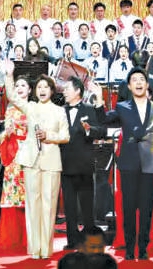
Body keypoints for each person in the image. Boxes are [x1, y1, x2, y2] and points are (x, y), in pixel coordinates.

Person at [95, 67, 153, 260]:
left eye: (142, 79)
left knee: (146, 208)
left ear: (147, 85)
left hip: (150, 163)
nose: (138, 83)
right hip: (128, 163)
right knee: (129, 208)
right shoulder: (122, 107)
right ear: (130, 87)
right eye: (134, 80)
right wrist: (98, 100)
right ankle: (130, 249)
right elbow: (103, 120)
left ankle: (144, 247)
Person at [2, 61, 69, 259]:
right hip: (31, 160)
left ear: (52, 91)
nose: (42, 90)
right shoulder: (30, 107)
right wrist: (9, 75)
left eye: (46, 87)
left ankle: (46, 249)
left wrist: (49, 136)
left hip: (51, 161)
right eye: (39, 87)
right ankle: (34, 248)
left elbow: (65, 136)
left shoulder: (59, 111)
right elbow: (12, 96)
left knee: (49, 205)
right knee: (33, 205)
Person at [59, 76, 107, 249]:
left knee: (87, 206)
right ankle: (72, 241)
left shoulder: (89, 109)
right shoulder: (60, 111)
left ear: (78, 90)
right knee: (69, 207)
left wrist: (88, 130)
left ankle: (89, 240)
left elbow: (102, 131)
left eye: (67, 88)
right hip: (65, 164)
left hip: (85, 165)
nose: (64, 92)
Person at [0, 75, 31, 253]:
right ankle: (13, 238)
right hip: (14, 155)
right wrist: (7, 133)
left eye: (23, 85)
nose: (19, 88)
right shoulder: (10, 110)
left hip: (30, 153)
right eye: (17, 85)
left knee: (29, 194)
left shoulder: (33, 107)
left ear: (30, 90)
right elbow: (3, 136)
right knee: (13, 194)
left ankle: (29, 237)